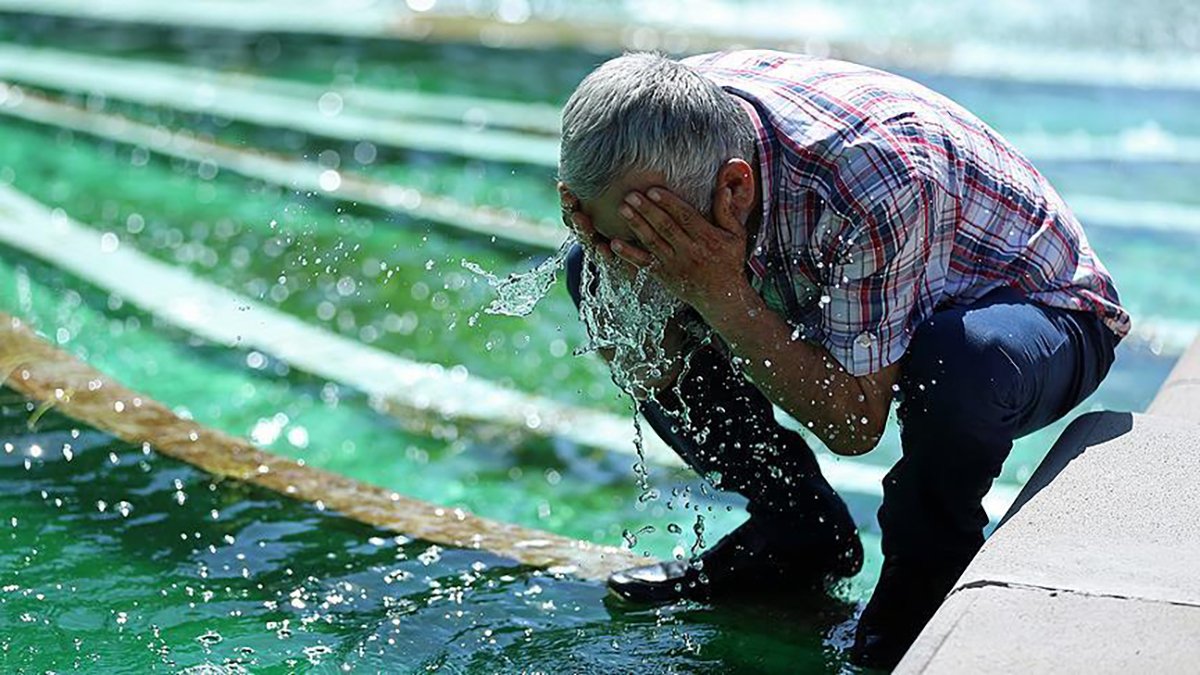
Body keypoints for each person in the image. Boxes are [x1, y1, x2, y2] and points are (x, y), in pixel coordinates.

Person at [557, 51, 1128, 668]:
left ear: (734, 188)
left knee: (957, 360)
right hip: (847, 263)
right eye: (610, 232)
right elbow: (649, 347)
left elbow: (855, 424)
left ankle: (923, 589)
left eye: (656, 240)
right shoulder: (635, 129)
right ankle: (798, 530)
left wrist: (719, 293)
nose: (633, 255)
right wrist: (618, 270)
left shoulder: (872, 177)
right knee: (589, 275)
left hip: (1040, 314)